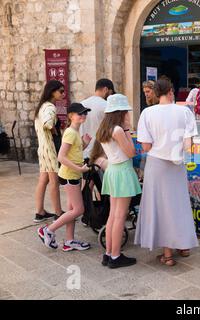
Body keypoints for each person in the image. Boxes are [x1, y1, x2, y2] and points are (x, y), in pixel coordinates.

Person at [136, 78, 198, 266]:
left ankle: (167, 254)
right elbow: (189, 144)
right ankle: (183, 246)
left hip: (156, 164)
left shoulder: (147, 113)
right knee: (179, 205)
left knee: (161, 207)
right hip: (176, 164)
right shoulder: (184, 112)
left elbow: (145, 146)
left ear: (155, 92)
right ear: (171, 91)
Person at [38, 103, 92, 251]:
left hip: (72, 175)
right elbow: (61, 157)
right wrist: (80, 168)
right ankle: (48, 230)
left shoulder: (74, 132)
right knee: (79, 209)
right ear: (71, 116)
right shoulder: (70, 133)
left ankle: (69, 241)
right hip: (69, 176)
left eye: (85, 113)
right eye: (80, 113)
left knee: (71, 209)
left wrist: (84, 144)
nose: (83, 115)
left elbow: (73, 153)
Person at [97, 94, 141, 269]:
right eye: (126, 112)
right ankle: (115, 256)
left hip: (113, 171)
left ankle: (108, 253)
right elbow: (131, 152)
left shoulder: (104, 129)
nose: (128, 114)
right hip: (122, 171)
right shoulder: (118, 130)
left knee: (113, 215)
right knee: (120, 216)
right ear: (120, 112)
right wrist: (128, 131)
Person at [33, 80, 65, 223]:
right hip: (50, 149)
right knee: (54, 181)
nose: (63, 94)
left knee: (43, 180)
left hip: (43, 147)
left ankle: (39, 212)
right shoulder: (50, 107)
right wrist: (54, 129)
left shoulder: (41, 106)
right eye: (61, 91)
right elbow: (47, 123)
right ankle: (58, 213)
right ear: (53, 91)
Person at [79, 78, 115, 159]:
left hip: (83, 151)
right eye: (111, 93)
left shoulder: (81, 104)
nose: (110, 96)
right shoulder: (107, 105)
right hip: (100, 152)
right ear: (106, 89)